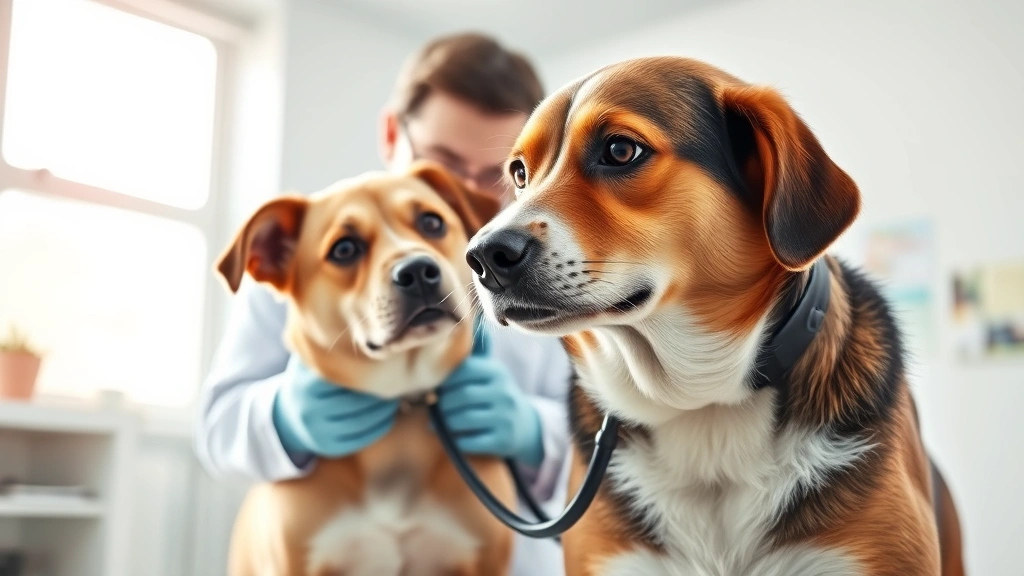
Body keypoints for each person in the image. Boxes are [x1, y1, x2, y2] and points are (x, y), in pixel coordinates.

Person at [194, 33, 572, 575]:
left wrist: (534, 431)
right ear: (394, 132)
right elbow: (217, 428)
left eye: (494, 175)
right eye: (441, 160)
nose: (461, 191)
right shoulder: (300, 260)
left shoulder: (558, 275)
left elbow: (614, 443)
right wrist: (283, 416)